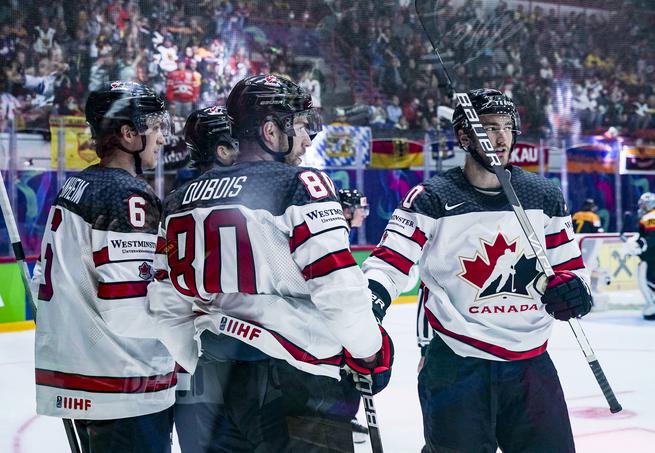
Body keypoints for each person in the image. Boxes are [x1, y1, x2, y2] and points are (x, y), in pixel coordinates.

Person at [147, 74, 392, 452]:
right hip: (297, 380)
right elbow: (338, 287)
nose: (308, 138)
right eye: (297, 125)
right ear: (270, 132)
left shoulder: (180, 201)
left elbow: (165, 303)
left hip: (212, 381)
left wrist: (197, 358)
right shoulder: (300, 184)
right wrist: (368, 351)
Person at [362, 89, 592, 453]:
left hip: (531, 364)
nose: (500, 138)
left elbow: (571, 267)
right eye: (488, 127)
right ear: (464, 136)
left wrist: (575, 290)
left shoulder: (543, 195)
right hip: (457, 364)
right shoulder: (430, 198)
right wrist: (368, 306)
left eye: (507, 128)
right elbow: (389, 263)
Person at [30, 81, 176, 452]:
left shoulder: (77, 185)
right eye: (155, 128)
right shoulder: (127, 195)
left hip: (84, 372)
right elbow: (130, 304)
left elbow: (39, 284)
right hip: (124, 381)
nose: (162, 138)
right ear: (129, 134)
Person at [170, 105, 241, 453]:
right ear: (222, 150)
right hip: (240, 358)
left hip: (189, 362)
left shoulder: (171, 203)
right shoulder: (249, 198)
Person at [337, 187, 372, 444]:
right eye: (360, 208)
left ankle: (341, 417)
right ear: (347, 210)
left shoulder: (340, 231)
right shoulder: (335, 233)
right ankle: (340, 419)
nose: (364, 213)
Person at [623, 192, 655, 320]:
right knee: (650, 280)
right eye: (642, 204)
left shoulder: (653, 215)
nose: (643, 207)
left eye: (645, 204)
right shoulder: (650, 215)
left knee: (651, 280)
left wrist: (641, 243)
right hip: (654, 253)